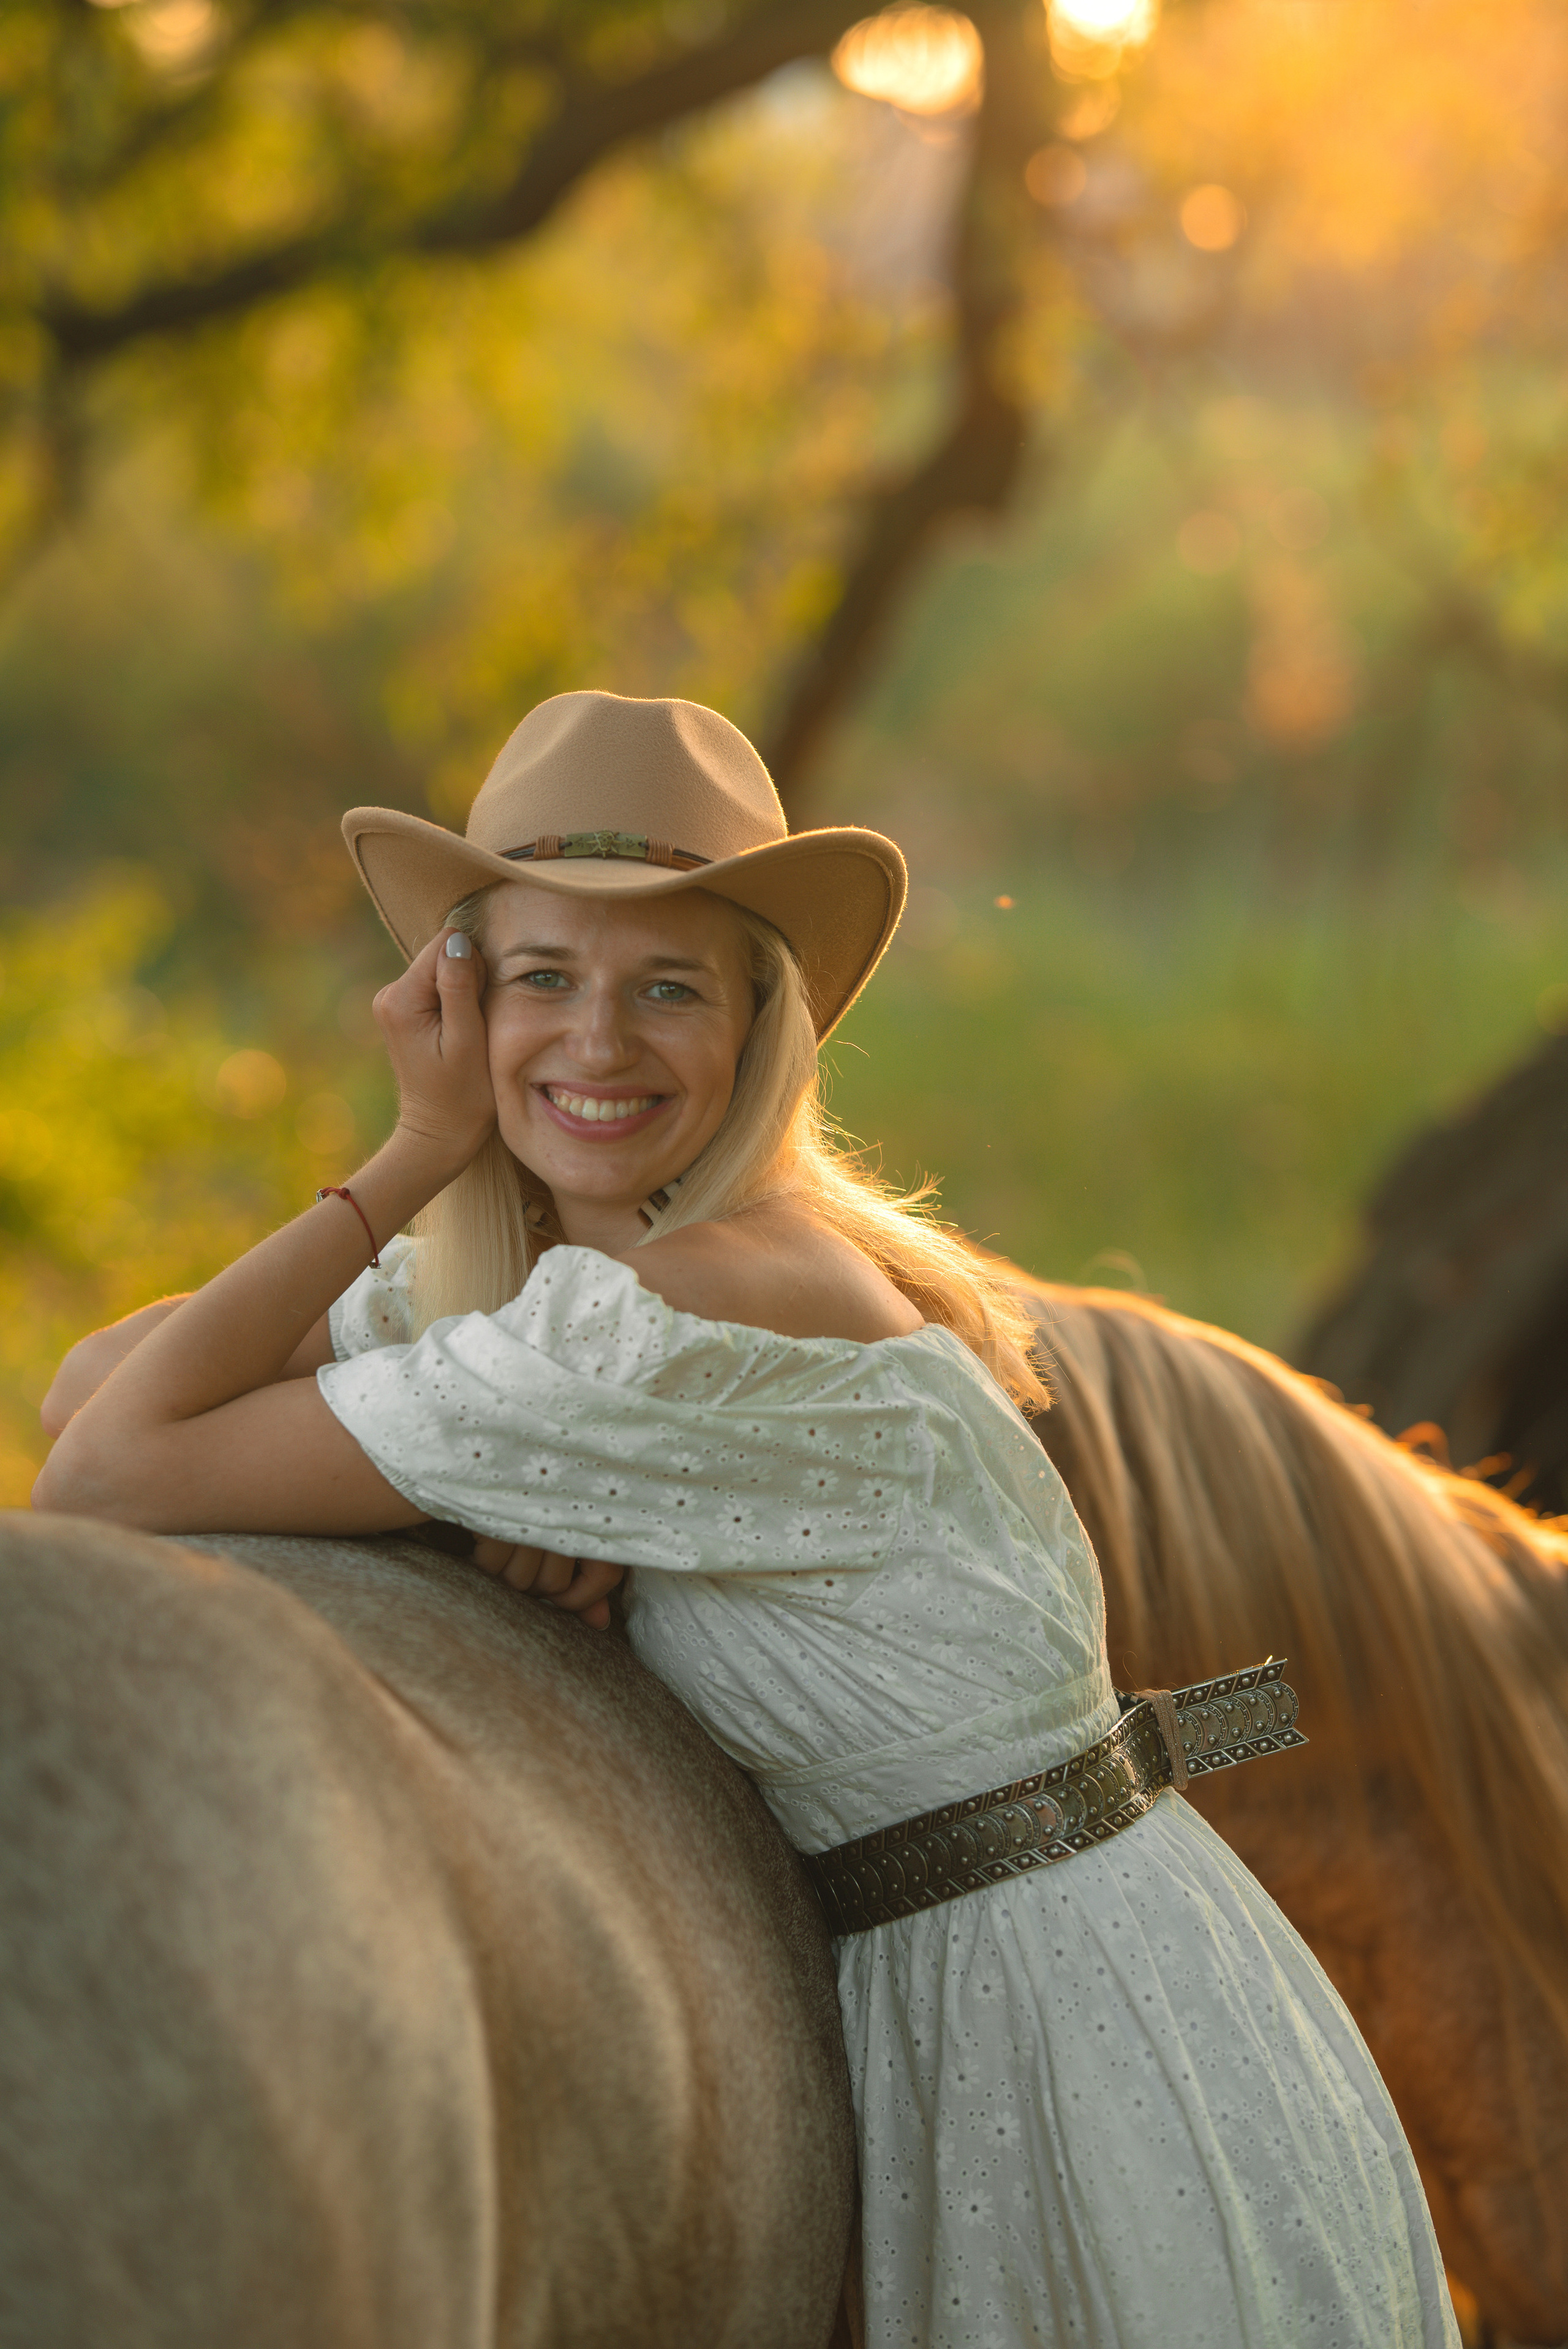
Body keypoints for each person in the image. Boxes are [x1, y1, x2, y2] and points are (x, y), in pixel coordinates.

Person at [39, 690, 1460, 2349]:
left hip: (1068, 2036)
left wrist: (415, 1147)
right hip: (1024, 1984)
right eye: (543, 978)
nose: (599, 1041)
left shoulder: (677, 1309)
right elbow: (93, 1383)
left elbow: (108, 1477)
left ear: (756, 1024)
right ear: (458, 993)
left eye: (669, 987)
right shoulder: (604, 1297)